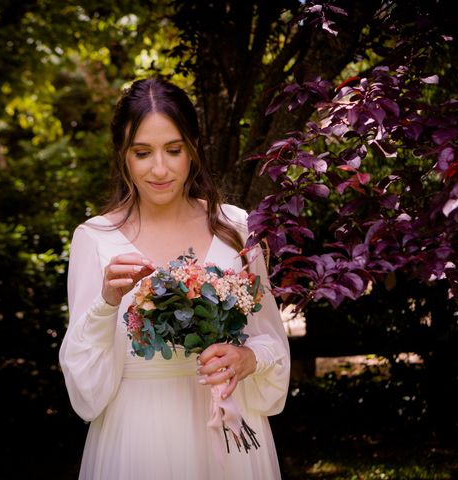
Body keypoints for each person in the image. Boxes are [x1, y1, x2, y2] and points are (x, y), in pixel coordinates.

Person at [59, 77, 291, 480]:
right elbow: (83, 382)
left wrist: (247, 358)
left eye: (174, 150)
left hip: (228, 428)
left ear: (193, 150)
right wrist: (107, 303)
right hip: (138, 434)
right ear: (123, 156)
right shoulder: (94, 239)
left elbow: (270, 338)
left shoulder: (236, 228)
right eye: (143, 152)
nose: (160, 168)